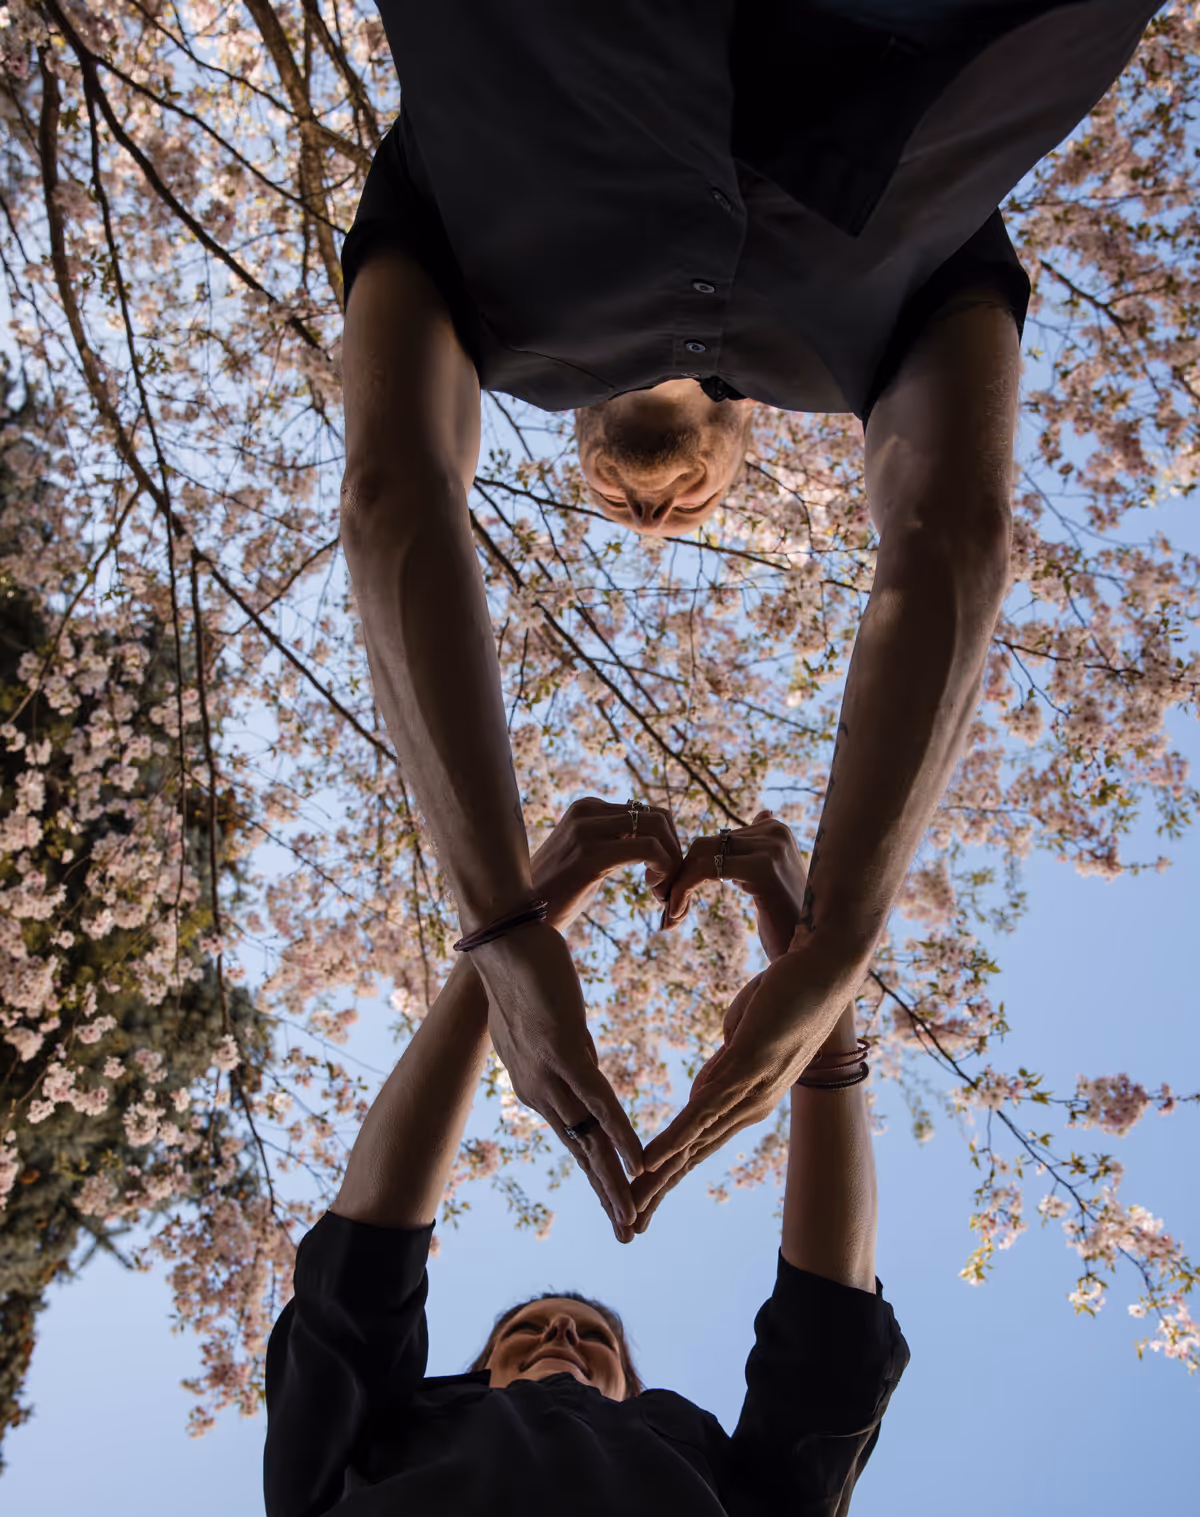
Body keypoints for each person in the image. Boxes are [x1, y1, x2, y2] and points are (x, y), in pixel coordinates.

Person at [338, 0, 1162, 1233]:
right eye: (686, 517)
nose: (656, 516)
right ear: (745, 449)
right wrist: (833, 949)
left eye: (629, 516)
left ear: (573, 434)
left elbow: (395, 494)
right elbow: (951, 540)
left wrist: (503, 923)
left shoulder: (468, 288)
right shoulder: (885, 332)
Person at [14, 800, 928, 1517]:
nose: (564, 1341)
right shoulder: (385, 1434)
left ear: (634, 1387)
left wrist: (822, 990)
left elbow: (828, 1355)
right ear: (477, 1370)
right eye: (532, 1330)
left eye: (591, 1338)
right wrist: (506, 933)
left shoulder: (712, 1472)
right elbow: (360, 1266)